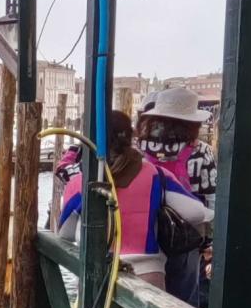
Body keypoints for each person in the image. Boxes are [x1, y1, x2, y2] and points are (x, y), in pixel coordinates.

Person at [58, 110, 211, 289]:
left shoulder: (80, 182)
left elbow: (65, 234)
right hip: (147, 276)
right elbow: (197, 213)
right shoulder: (156, 175)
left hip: (96, 277)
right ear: (130, 137)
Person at [138, 86, 217, 308]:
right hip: (183, 247)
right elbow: (211, 204)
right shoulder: (200, 152)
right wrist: (209, 247)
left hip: (142, 242)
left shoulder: (138, 148)